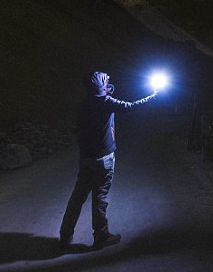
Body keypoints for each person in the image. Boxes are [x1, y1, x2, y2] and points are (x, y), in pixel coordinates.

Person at [59, 71, 155, 250]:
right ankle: (101, 236)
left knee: (77, 197)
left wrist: (106, 90)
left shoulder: (83, 105)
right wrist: (154, 96)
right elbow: (132, 107)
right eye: (105, 82)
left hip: (86, 157)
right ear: (100, 86)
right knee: (100, 198)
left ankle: (65, 235)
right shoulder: (105, 102)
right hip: (103, 158)